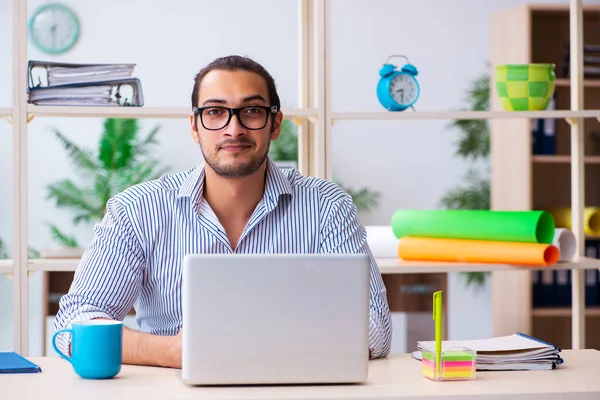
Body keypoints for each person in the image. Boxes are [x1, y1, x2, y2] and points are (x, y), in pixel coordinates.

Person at [54, 55, 392, 368]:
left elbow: (375, 326)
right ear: (194, 126)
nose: (234, 129)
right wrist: (170, 352)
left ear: (275, 124)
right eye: (215, 112)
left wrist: (262, 349)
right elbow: (75, 325)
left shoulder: (327, 206)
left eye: (252, 111)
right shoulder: (137, 210)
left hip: (292, 386)